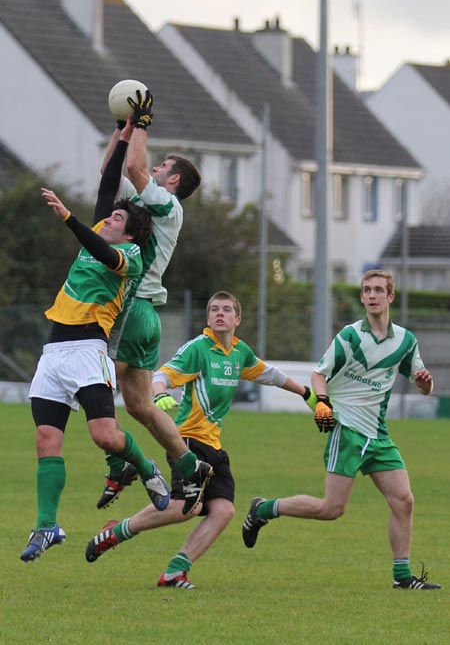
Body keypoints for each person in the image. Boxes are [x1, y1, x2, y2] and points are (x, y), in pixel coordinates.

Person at [84, 290, 316, 589]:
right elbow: (162, 374)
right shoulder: (198, 348)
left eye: (227, 309)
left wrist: (306, 394)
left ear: (238, 318)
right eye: (215, 309)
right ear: (208, 318)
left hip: (214, 446)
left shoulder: (239, 352)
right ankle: (116, 532)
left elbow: (269, 374)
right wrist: (161, 393)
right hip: (187, 443)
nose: (220, 313)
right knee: (186, 507)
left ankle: (174, 572)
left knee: (224, 510)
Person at [242, 269, 442, 591]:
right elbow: (319, 374)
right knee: (331, 509)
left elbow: (425, 388)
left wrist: (425, 383)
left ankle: (402, 576)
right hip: (347, 430)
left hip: (378, 434)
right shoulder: (350, 336)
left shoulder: (405, 340)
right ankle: (264, 508)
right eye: (367, 290)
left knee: (404, 500)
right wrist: (322, 403)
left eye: (379, 290)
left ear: (390, 297)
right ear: (362, 297)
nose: (372, 295)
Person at [20, 152, 169, 563]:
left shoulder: (130, 258)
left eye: (117, 220)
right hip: (54, 353)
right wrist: (123, 133)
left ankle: (145, 466)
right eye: (108, 218)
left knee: (105, 435)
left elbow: (103, 253)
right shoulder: (103, 234)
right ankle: (47, 525)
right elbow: (108, 184)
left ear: (130, 235)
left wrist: (69, 218)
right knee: (45, 440)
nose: (108, 220)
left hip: (89, 351)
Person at [95, 90, 212, 515]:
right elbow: (113, 171)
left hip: (131, 309)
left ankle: (119, 464)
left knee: (91, 383)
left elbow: (136, 166)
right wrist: (121, 129)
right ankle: (188, 464)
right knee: (141, 405)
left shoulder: (166, 204)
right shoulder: (147, 202)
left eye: (164, 167)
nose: (155, 169)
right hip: (146, 315)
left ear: (173, 180)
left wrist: (141, 126)